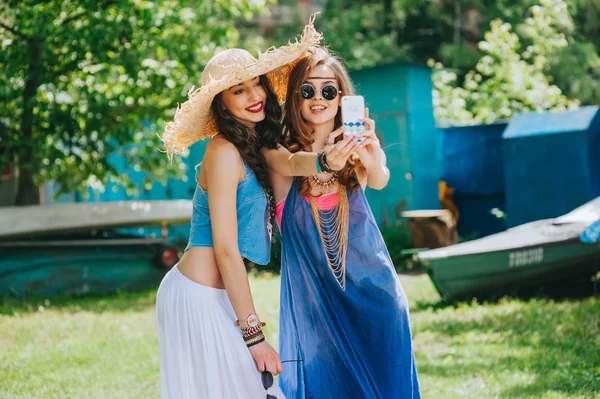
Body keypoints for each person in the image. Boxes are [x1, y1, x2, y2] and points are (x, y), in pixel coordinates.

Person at [156, 25, 361, 399]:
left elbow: (293, 162)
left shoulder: (254, 147)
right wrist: (254, 337)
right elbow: (226, 250)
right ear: (222, 103)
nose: (254, 95)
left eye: (256, 84)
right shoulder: (221, 152)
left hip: (218, 296)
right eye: (239, 90)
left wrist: (326, 159)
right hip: (196, 295)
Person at [271, 48, 421, 398]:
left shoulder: (357, 151)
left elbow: (381, 178)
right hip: (316, 310)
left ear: (342, 97)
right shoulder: (278, 154)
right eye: (308, 90)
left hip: (376, 299)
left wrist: (370, 158)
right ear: (295, 97)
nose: (319, 98)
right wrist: (325, 160)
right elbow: (294, 164)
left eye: (329, 90)